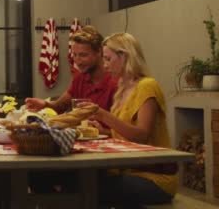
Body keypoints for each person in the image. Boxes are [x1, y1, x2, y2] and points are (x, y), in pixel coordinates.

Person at [85, 32, 176, 206]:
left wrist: (104, 115)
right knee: (83, 181)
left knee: (91, 188)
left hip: (154, 177)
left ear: (125, 56)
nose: (104, 66)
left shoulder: (147, 86)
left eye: (108, 59)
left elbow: (141, 135)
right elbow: (122, 134)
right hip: (127, 170)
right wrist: (99, 129)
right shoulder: (121, 90)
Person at [25, 25, 118, 113]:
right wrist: (45, 105)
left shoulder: (115, 83)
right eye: (75, 55)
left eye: (83, 55)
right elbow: (60, 106)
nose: (78, 61)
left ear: (99, 51)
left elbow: (123, 128)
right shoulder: (80, 78)